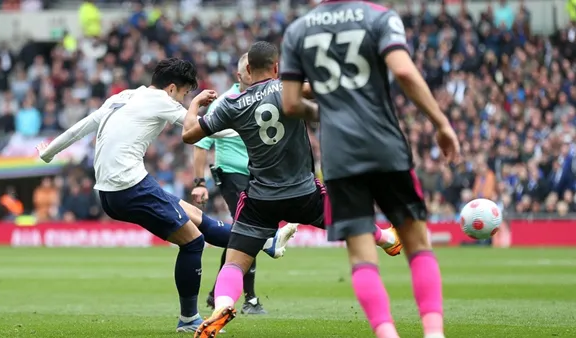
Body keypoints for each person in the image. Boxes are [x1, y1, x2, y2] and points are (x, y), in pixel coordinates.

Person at [35, 58, 297, 333]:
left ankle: (267, 241)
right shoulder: (162, 101)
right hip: (130, 187)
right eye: (184, 93)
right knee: (193, 242)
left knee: (196, 217)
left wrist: (49, 151)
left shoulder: (122, 96)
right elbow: (200, 129)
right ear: (172, 88)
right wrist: (241, 123)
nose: (184, 99)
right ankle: (188, 319)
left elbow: (84, 126)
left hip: (112, 191)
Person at [181, 41, 403, 338]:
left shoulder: (231, 105)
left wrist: (195, 104)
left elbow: (188, 135)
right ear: (276, 67)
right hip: (303, 193)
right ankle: (388, 239)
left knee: (234, 263)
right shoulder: (287, 88)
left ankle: (221, 307)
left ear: (247, 69)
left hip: (260, 199)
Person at [279, 2, 461, 338]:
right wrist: (441, 123)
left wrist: (329, 110)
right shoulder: (379, 16)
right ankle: (434, 333)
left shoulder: (298, 30)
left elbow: (290, 104)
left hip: (340, 157)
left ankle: (386, 333)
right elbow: (404, 72)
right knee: (418, 245)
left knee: (362, 258)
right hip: (385, 146)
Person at [192, 53, 269, 315]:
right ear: (241, 75)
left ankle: (218, 293)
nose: (256, 73)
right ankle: (250, 299)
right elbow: (201, 143)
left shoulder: (267, 98)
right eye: (251, 69)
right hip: (232, 174)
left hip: (258, 176)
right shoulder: (225, 102)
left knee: (242, 234)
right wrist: (200, 181)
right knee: (249, 230)